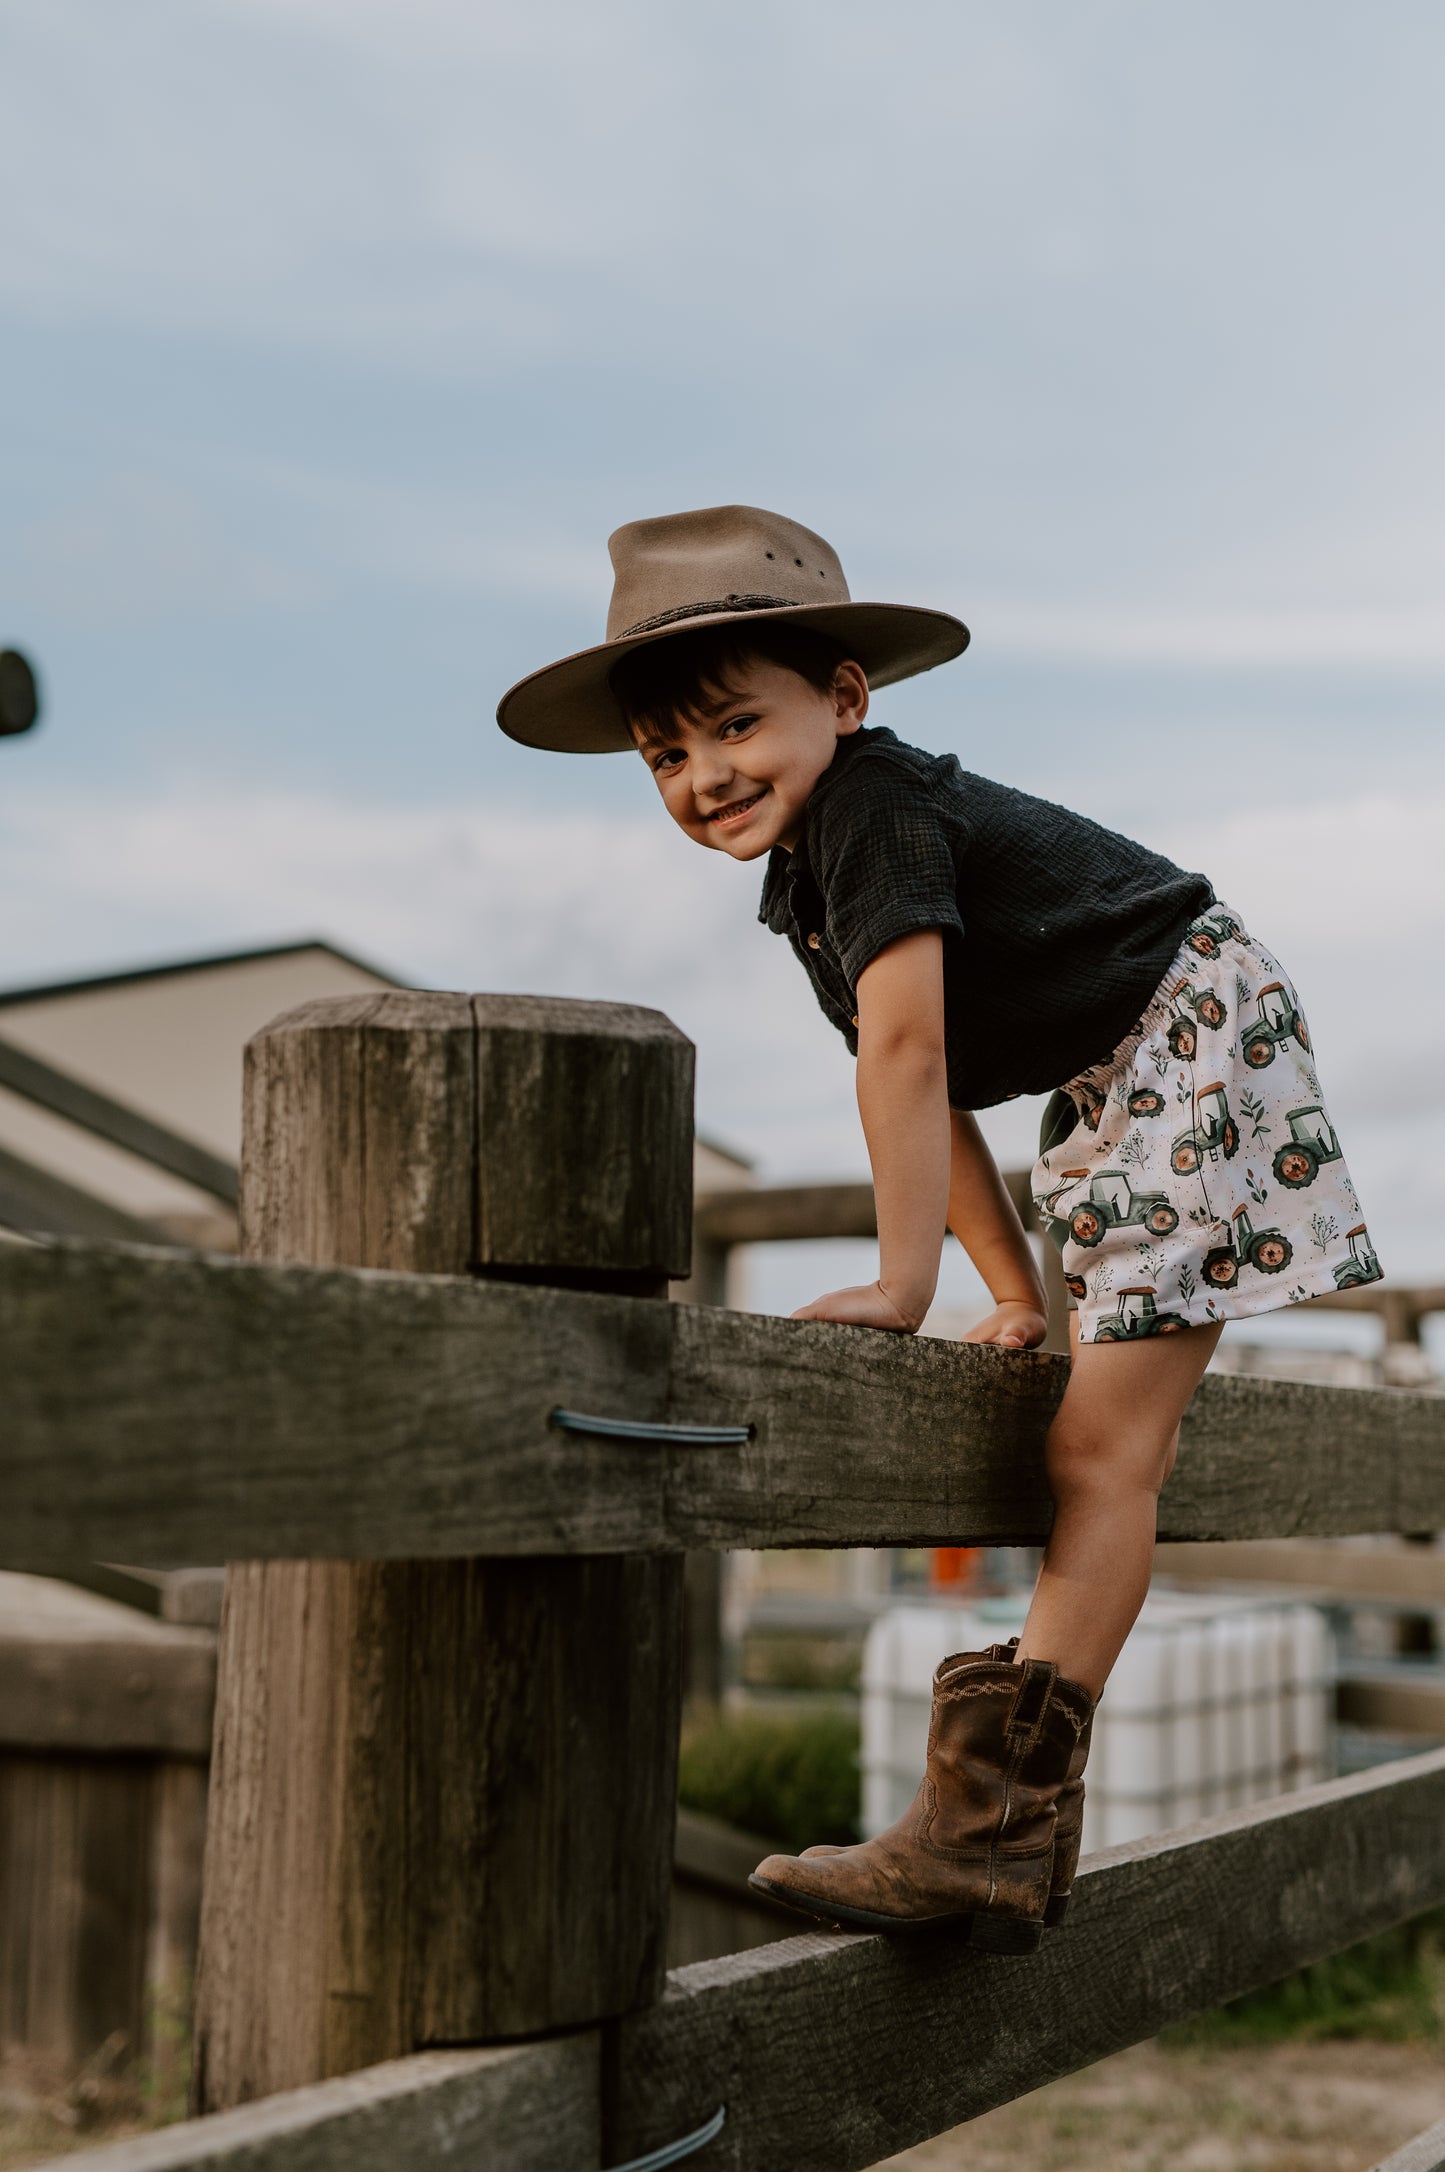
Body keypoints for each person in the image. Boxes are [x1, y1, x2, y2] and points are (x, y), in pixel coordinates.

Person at [497, 503, 1378, 1954]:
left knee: (1101, 1454)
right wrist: (1002, 1290)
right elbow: (941, 1086)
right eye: (667, 755)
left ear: (843, 700)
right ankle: (991, 1842)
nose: (705, 774)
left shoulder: (870, 807)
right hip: (1129, 1069)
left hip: (1187, 1039)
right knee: (1088, 1438)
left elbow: (900, 1060)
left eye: (732, 726)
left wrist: (901, 1285)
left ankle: (984, 1835)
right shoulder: (810, 875)